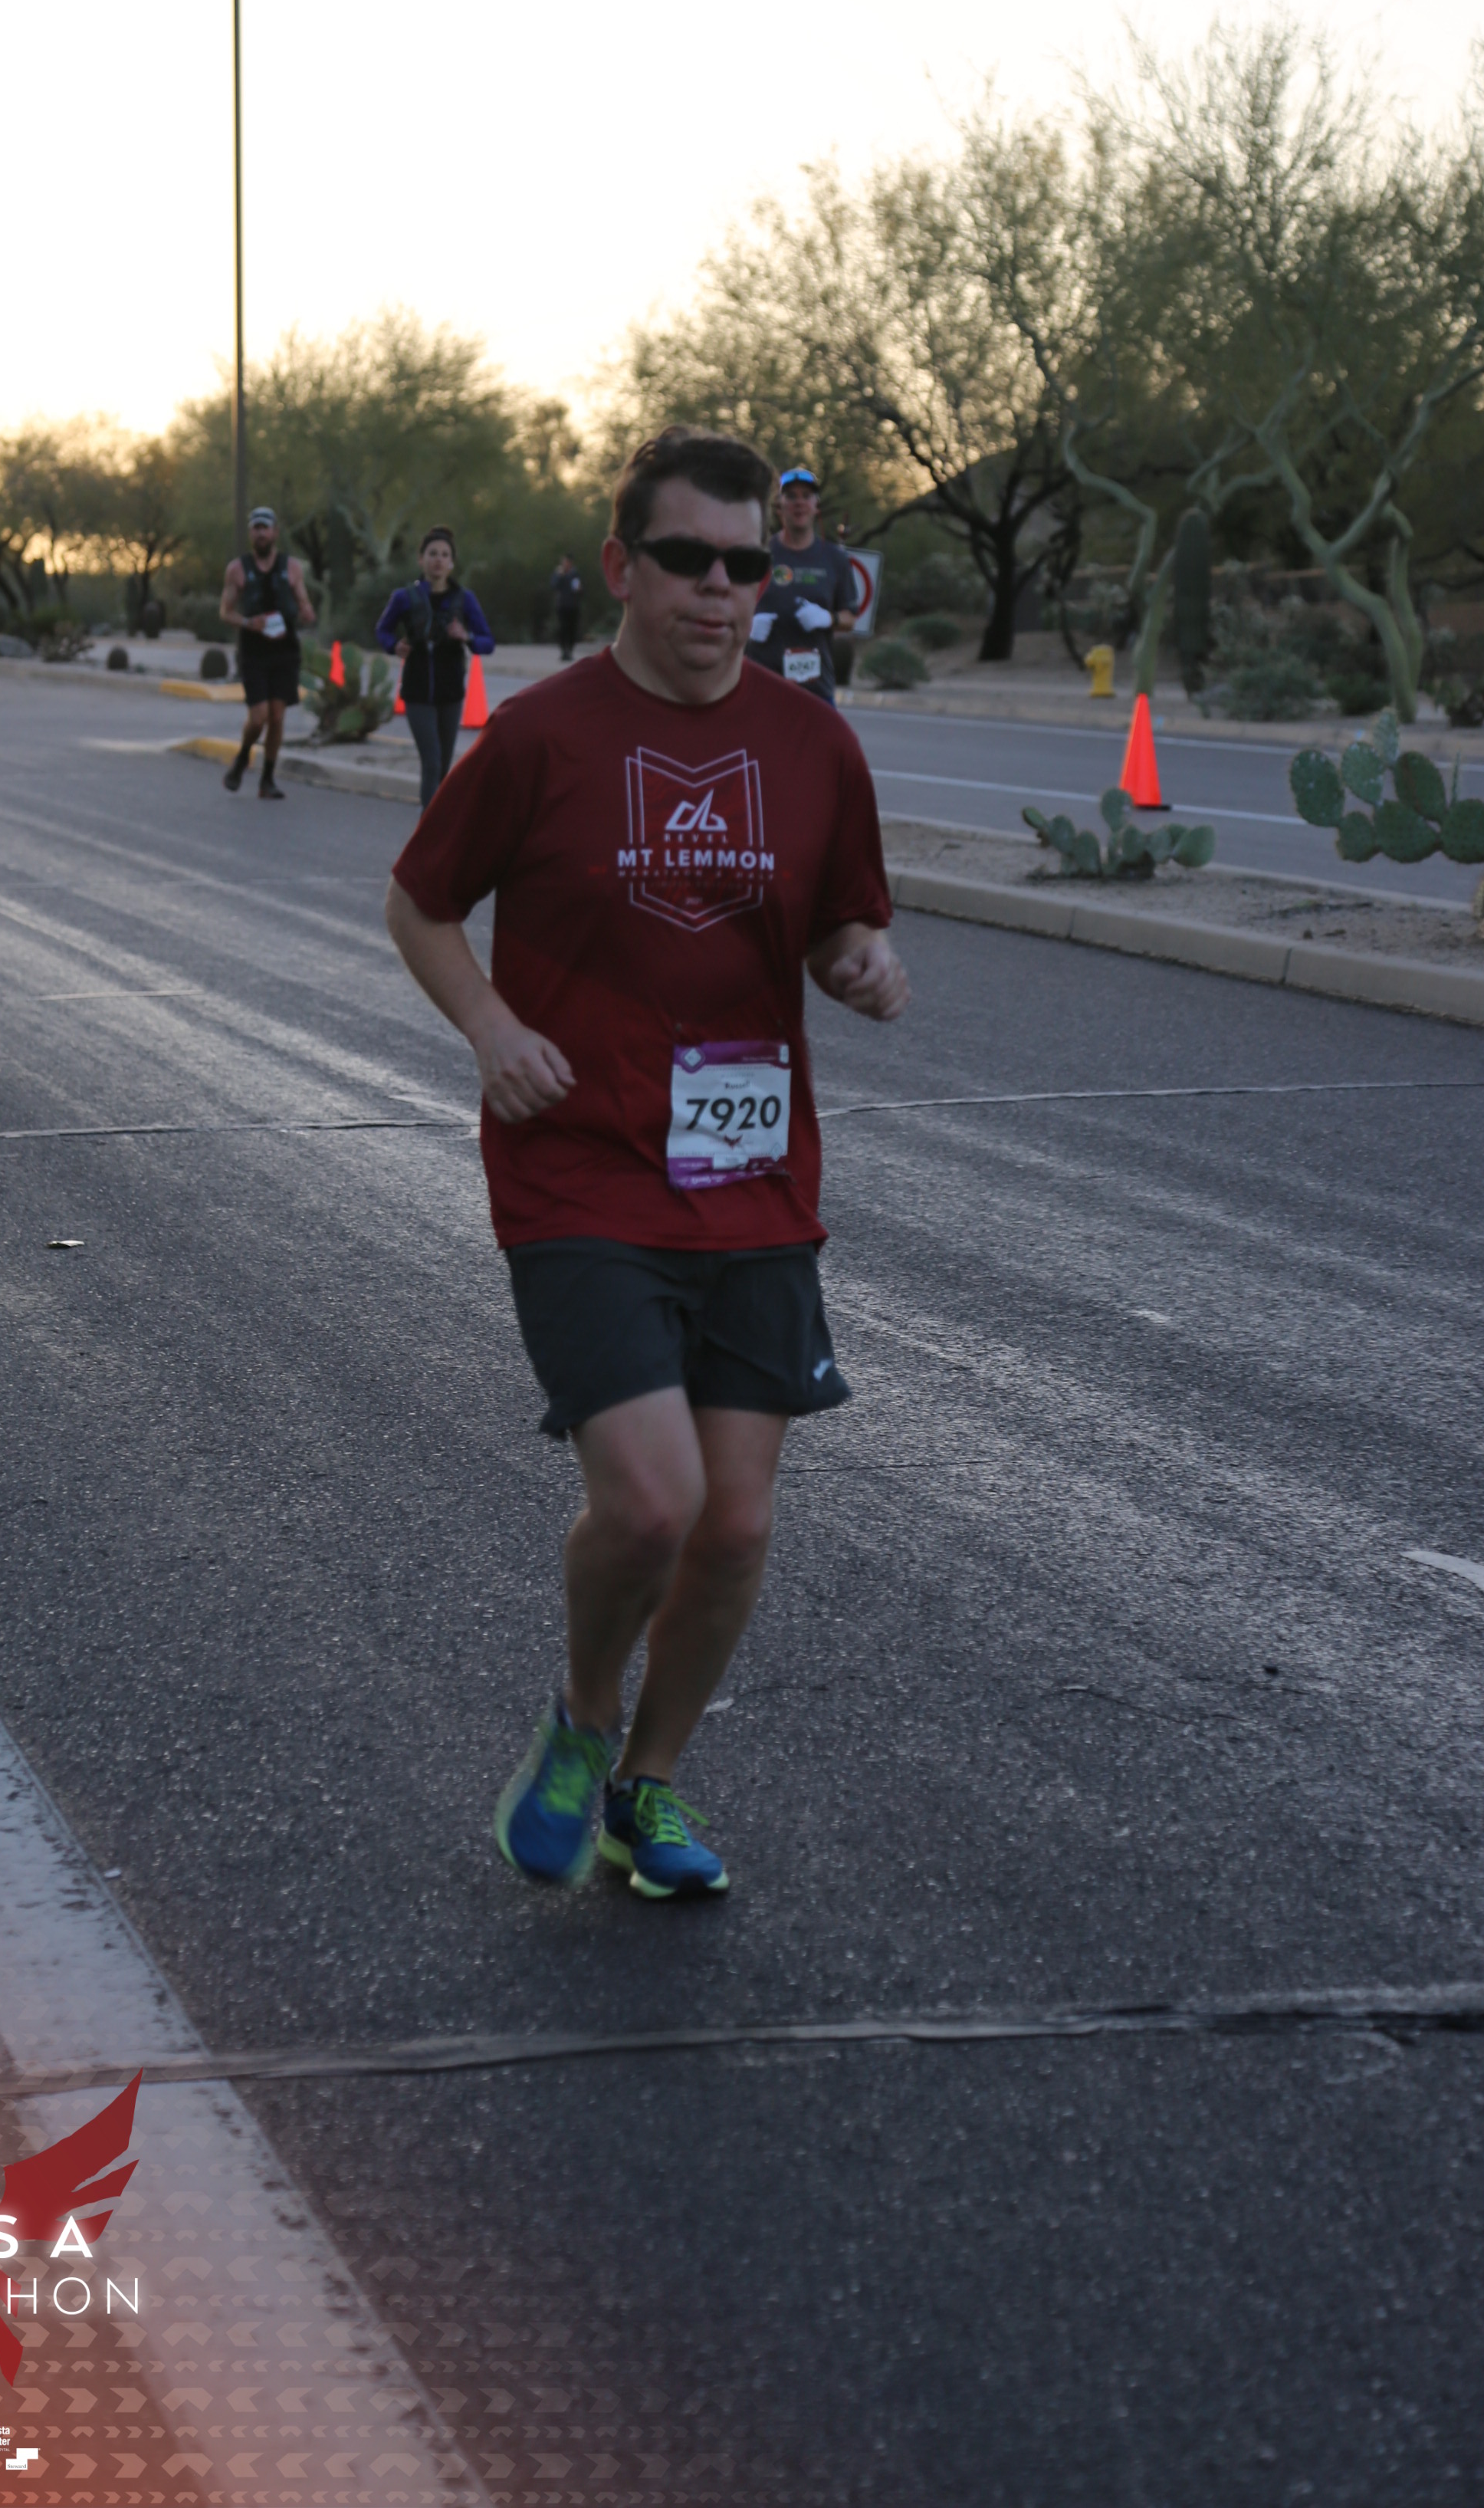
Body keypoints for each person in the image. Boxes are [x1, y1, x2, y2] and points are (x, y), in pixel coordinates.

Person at [385, 426, 908, 1898]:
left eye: (746, 566)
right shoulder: (543, 736)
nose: (721, 591)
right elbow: (420, 903)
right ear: (623, 566)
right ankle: (580, 1718)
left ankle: (647, 1787)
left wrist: (862, 962)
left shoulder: (816, 748)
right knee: (653, 1503)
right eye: (688, 561)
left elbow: (845, 920)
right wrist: (491, 1028)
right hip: (582, 1168)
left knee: (734, 1525)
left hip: (751, 1172)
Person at [376, 528, 496, 806]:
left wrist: (466, 637)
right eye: (432, 554)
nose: (438, 560)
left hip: (450, 693)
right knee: (431, 760)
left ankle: (438, 825)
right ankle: (427, 826)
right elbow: (382, 630)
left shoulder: (464, 599)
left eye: (444, 555)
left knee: (443, 766)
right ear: (422, 559)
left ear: (452, 562)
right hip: (417, 692)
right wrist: (394, 646)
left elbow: (488, 643)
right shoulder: (405, 597)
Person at [219, 506, 315, 799]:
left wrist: (307, 613)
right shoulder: (238, 569)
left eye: (265, 528)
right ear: (251, 533)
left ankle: (268, 779)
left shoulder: (292, 568)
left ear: (275, 532)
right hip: (254, 652)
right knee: (258, 717)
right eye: (256, 528)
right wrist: (249, 623)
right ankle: (242, 757)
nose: (261, 533)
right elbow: (225, 611)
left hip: (285, 651)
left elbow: (304, 605)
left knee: (277, 716)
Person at [747, 465, 859, 705]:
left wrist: (828, 618)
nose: (799, 503)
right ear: (779, 506)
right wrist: (747, 626)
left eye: (806, 496)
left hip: (815, 689)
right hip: (759, 684)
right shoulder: (757, 553)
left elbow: (850, 617)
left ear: (816, 506)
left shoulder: (835, 559)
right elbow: (727, 605)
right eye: (791, 496)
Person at [550, 552, 585, 662]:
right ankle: (564, 651)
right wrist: (561, 576)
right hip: (562, 605)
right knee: (563, 628)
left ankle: (570, 650)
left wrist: (580, 589)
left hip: (573, 605)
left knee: (572, 629)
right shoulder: (558, 573)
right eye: (564, 562)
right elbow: (554, 586)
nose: (566, 564)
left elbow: (578, 590)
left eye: (568, 562)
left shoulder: (575, 574)